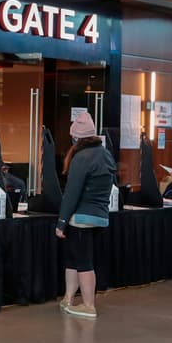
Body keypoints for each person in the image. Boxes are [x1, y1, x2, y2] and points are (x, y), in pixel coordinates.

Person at [55, 112, 115, 318]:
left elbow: (71, 193)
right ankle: (68, 298)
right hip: (100, 216)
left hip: (80, 218)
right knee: (74, 258)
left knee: (83, 262)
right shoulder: (104, 154)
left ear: (76, 137)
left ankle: (88, 305)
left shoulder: (81, 157)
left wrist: (61, 222)